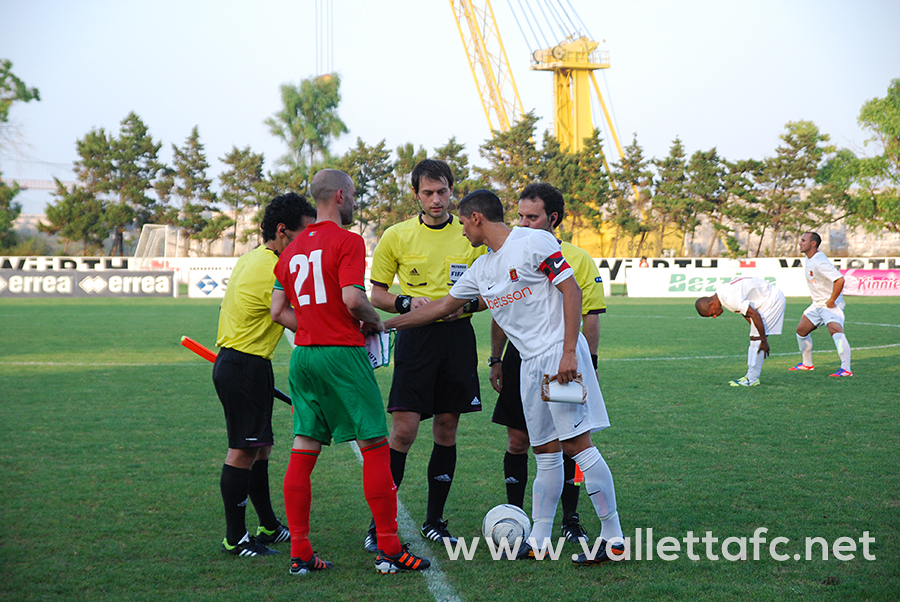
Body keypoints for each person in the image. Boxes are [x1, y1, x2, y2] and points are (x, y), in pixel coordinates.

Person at [384, 189, 626, 567]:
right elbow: (441, 308)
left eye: (463, 222)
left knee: (578, 446)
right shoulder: (482, 269)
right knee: (544, 452)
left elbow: (571, 291)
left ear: (476, 218)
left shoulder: (534, 241)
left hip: (557, 356)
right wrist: (383, 325)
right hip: (529, 365)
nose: (461, 230)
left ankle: (614, 539)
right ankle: (540, 539)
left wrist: (566, 352)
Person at [270, 169, 430, 576]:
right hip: (342, 354)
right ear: (340, 196)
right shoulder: (348, 240)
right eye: (355, 194)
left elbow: (277, 312)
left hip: (304, 358)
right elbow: (352, 298)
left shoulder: (289, 250)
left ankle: (301, 551)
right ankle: (389, 547)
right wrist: (374, 321)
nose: (356, 200)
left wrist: (309, 329)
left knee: (304, 447)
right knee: (375, 443)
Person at [365, 158, 486, 550]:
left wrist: (462, 308)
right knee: (403, 432)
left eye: (443, 191)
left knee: (447, 429)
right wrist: (405, 302)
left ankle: (434, 520)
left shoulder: (470, 234)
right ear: (415, 194)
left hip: (457, 341)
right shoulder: (396, 236)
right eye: (428, 193)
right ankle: (378, 526)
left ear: (453, 190)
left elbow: (488, 295)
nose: (437, 200)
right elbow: (376, 294)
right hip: (416, 341)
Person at [488, 182, 606, 543]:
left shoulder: (574, 257)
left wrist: (585, 360)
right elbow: (497, 309)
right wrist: (495, 359)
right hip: (520, 360)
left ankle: (574, 520)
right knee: (528, 441)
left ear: (553, 218)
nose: (523, 224)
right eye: (520, 216)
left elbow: (589, 311)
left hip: (560, 358)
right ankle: (526, 523)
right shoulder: (509, 251)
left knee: (572, 441)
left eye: (532, 217)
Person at [213, 192, 316, 557]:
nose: (310, 238)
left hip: (250, 364)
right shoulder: (267, 267)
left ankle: (269, 526)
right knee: (242, 451)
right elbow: (296, 315)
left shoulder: (259, 258)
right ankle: (235, 537)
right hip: (243, 365)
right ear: (283, 231)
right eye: (305, 231)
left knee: (260, 447)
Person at [694, 276, 787, 386]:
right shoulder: (721, 296)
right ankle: (750, 376)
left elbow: (754, 315)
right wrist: (756, 331)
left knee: (757, 339)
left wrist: (763, 339)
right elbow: (746, 313)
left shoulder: (729, 299)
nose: (714, 316)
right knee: (754, 337)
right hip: (766, 299)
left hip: (772, 300)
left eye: (712, 314)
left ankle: (752, 379)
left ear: (712, 304)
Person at [790, 231, 852, 376]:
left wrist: (831, 300)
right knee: (801, 331)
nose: (800, 243)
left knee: (835, 331)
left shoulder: (819, 261)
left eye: (803, 240)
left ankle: (846, 369)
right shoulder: (810, 258)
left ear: (813, 244)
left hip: (830, 305)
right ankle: (807, 364)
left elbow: (840, 280)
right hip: (817, 304)